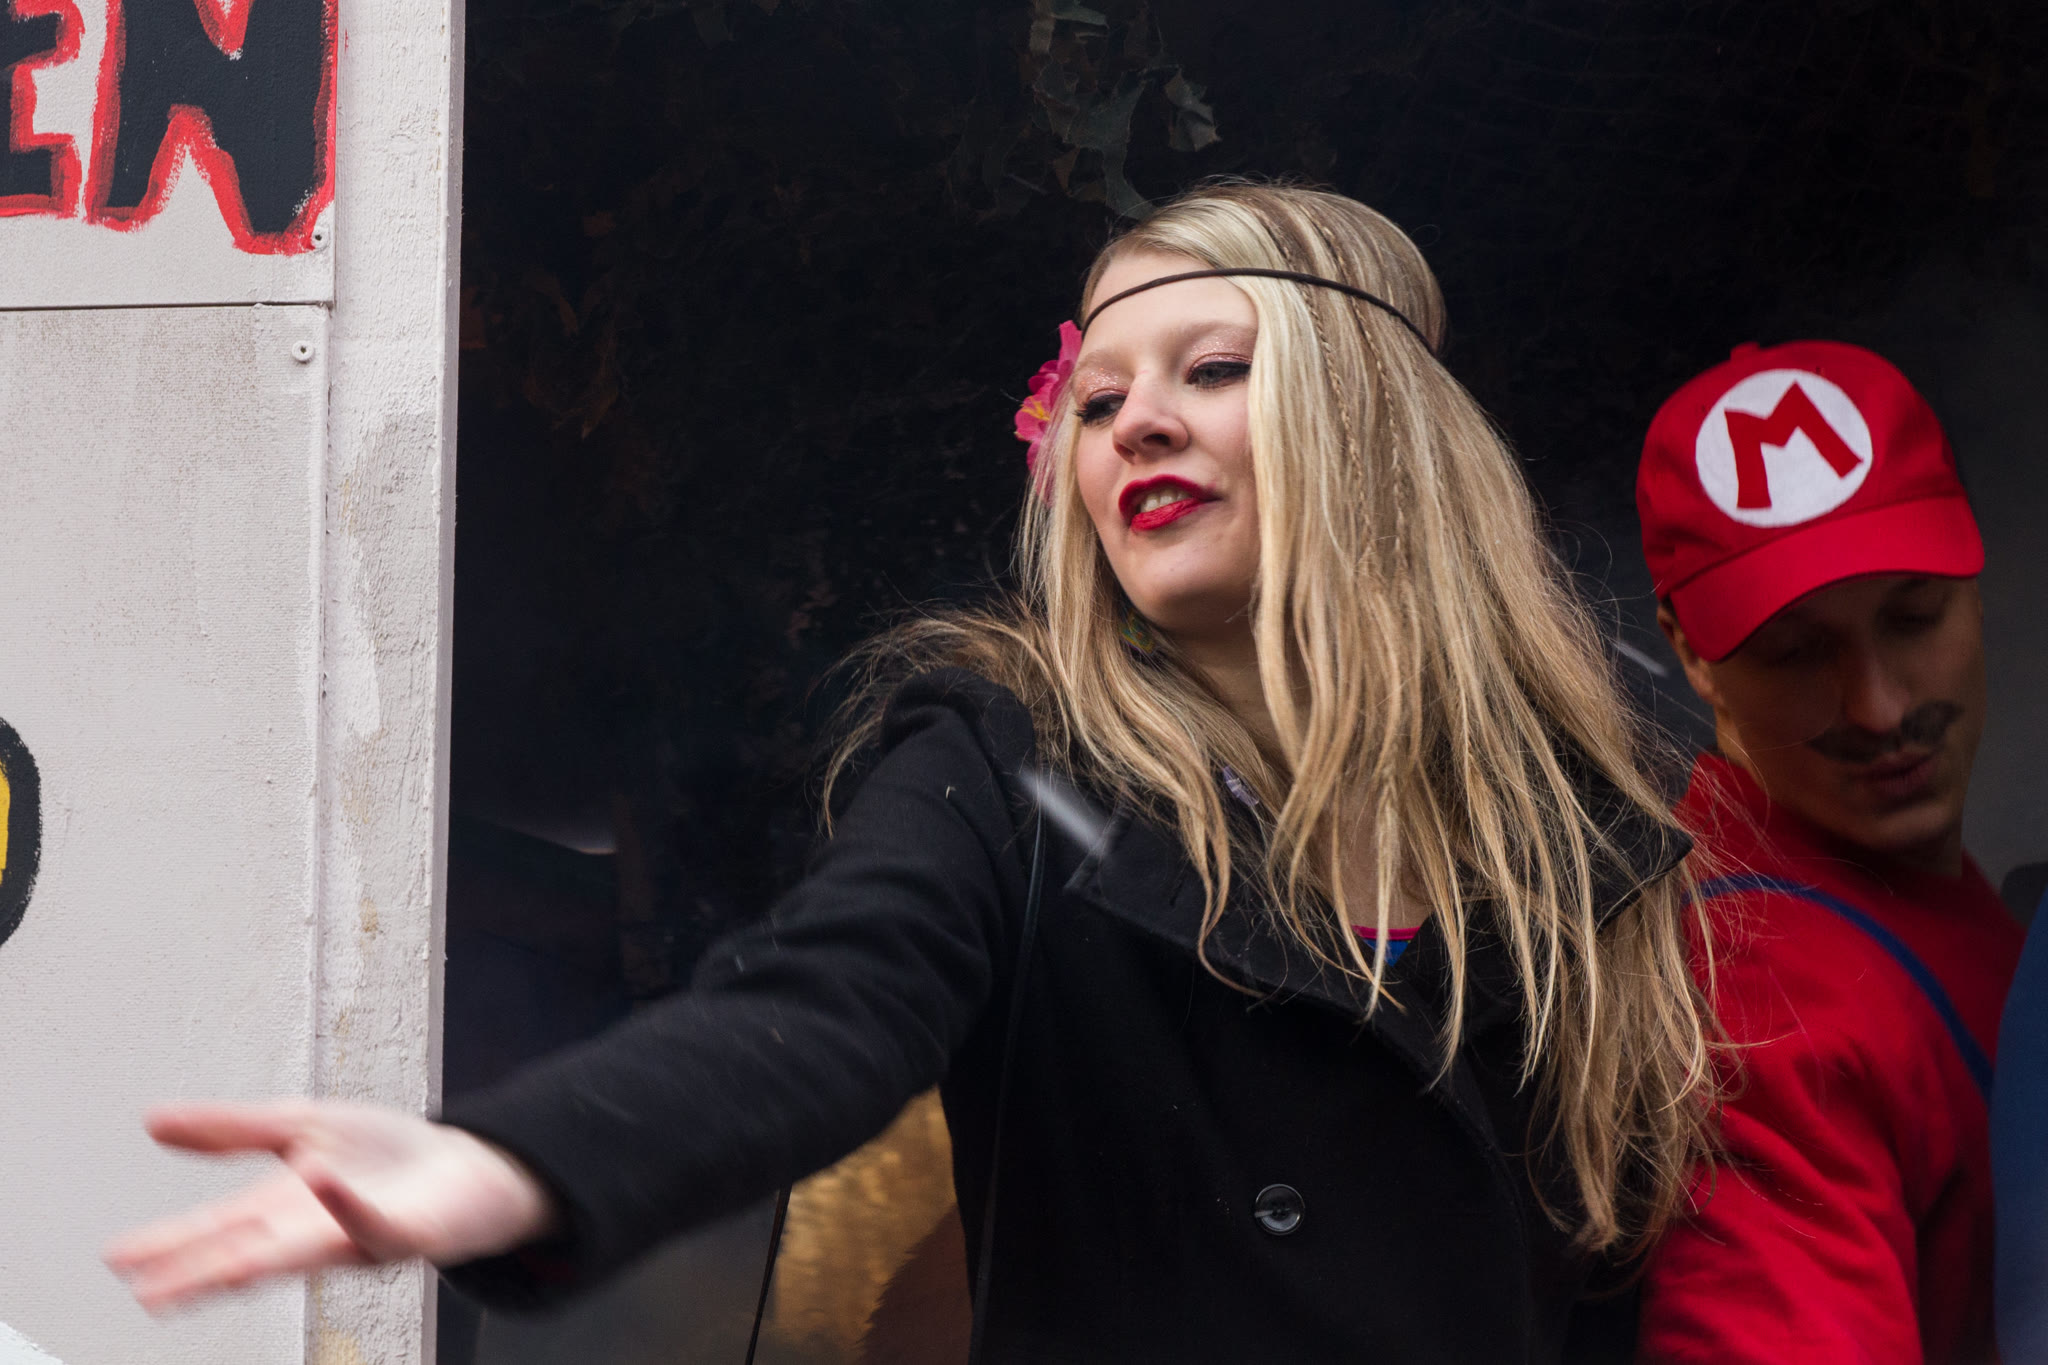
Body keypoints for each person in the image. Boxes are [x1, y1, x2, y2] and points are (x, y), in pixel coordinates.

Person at [106, 183, 1717, 1362]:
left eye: (1213, 370)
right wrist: (521, 1159)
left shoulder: (1579, 842)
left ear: (1373, 429)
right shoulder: (1016, 772)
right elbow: (823, 1005)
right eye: (1099, 396)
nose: (1135, 423)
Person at [1631, 340, 2019, 1363]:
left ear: (1974, 579)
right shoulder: (1756, 1008)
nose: (1878, 707)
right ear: (1689, 651)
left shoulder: (1886, 886)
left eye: (1911, 616)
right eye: (1795, 652)